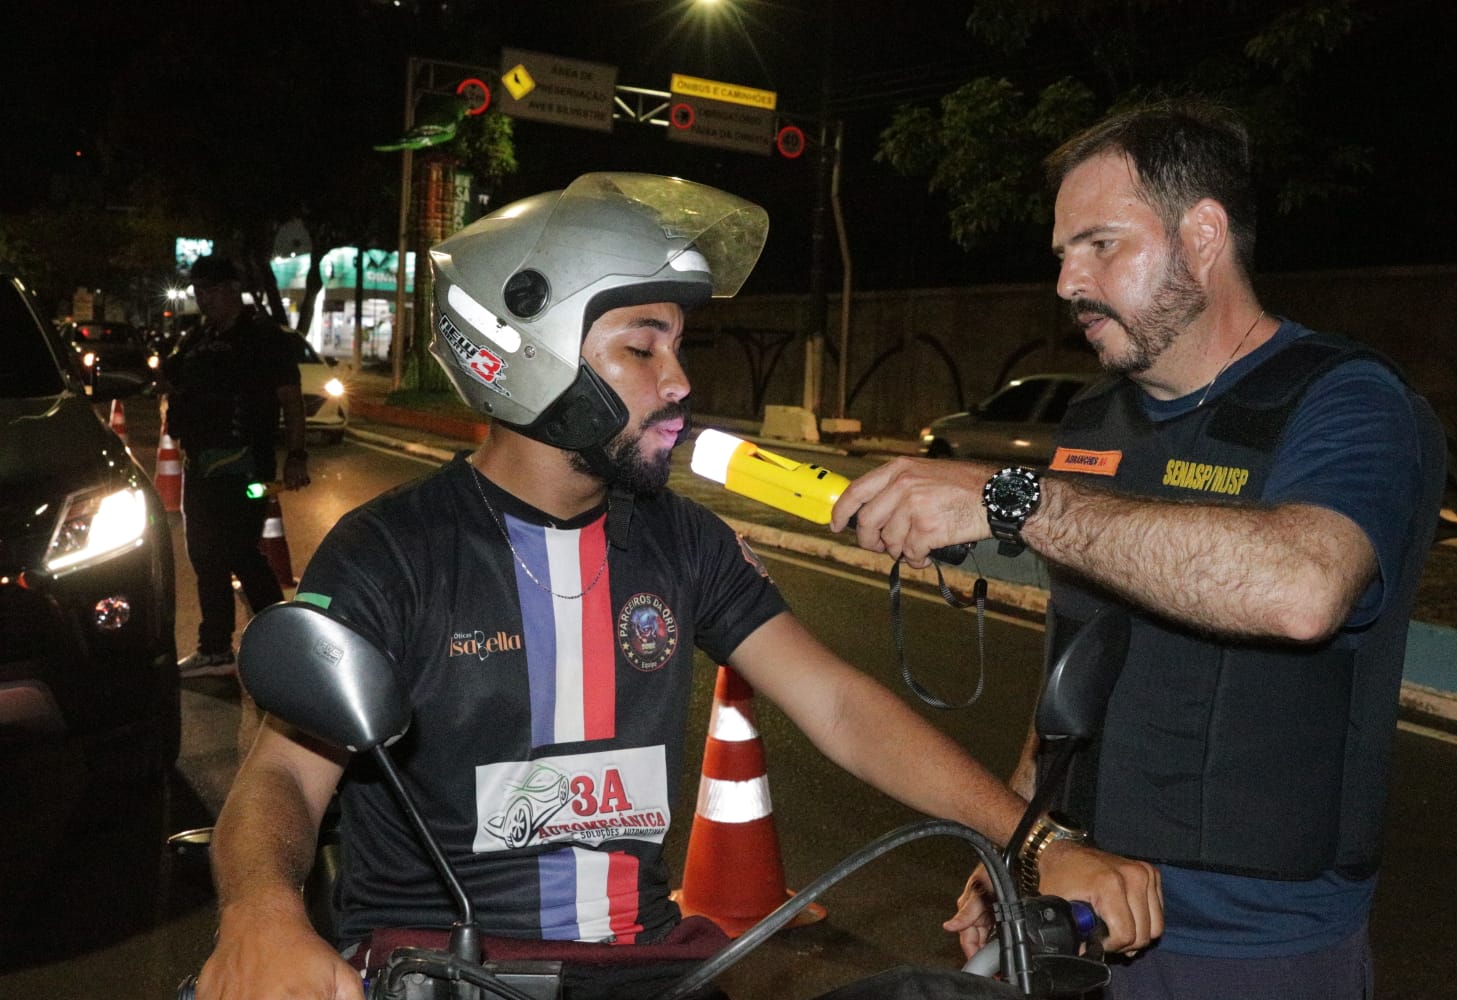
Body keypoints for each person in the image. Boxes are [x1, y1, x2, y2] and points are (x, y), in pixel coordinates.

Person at [191, 174, 1162, 1000]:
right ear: (523, 351)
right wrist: (263, 915)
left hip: (648, 970)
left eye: (678, 347)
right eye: (642, 347)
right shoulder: (391, 551)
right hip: (442, 969)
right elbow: (282, 774)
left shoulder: (679, 540)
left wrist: (1038, 841)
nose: (678, 381)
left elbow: (839, 705)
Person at [831, 102, 1446, 999]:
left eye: (1100, 245)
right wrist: (1019, 846)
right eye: (1061, 254)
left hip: (1254, 945)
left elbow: (1303, 589)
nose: (1067, 282)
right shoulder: (1095, 419)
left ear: (1203, 234)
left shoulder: (1347, 401)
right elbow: (1078, 659)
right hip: (1083, 908)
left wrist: (1012, 499)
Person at [163, 253, 310, 691]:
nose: (202, 299)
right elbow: (172, 380)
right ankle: (215, 648)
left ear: (232, 289)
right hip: (200, 466)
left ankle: (283, 644)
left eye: (209, 290)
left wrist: (297, 455)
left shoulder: (263, 337)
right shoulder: (199, 338)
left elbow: (291, 399)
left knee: (241, 553)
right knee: (205, 557)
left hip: (246, 467)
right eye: (197, 291)